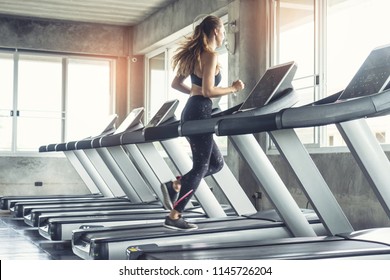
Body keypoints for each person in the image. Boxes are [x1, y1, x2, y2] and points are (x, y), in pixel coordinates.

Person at [161, 15, 245, 230]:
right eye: (223, 31)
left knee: (215, 164)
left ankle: (176, 184)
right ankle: (175, 215)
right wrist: (233, 88)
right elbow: (209, 90)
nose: (224, 34)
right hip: (199, 110)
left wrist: (195, 93)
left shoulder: (193, 55)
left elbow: (176, 83)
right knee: (201, 167)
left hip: (193, 109)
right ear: (216, 31)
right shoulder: (210, 55)